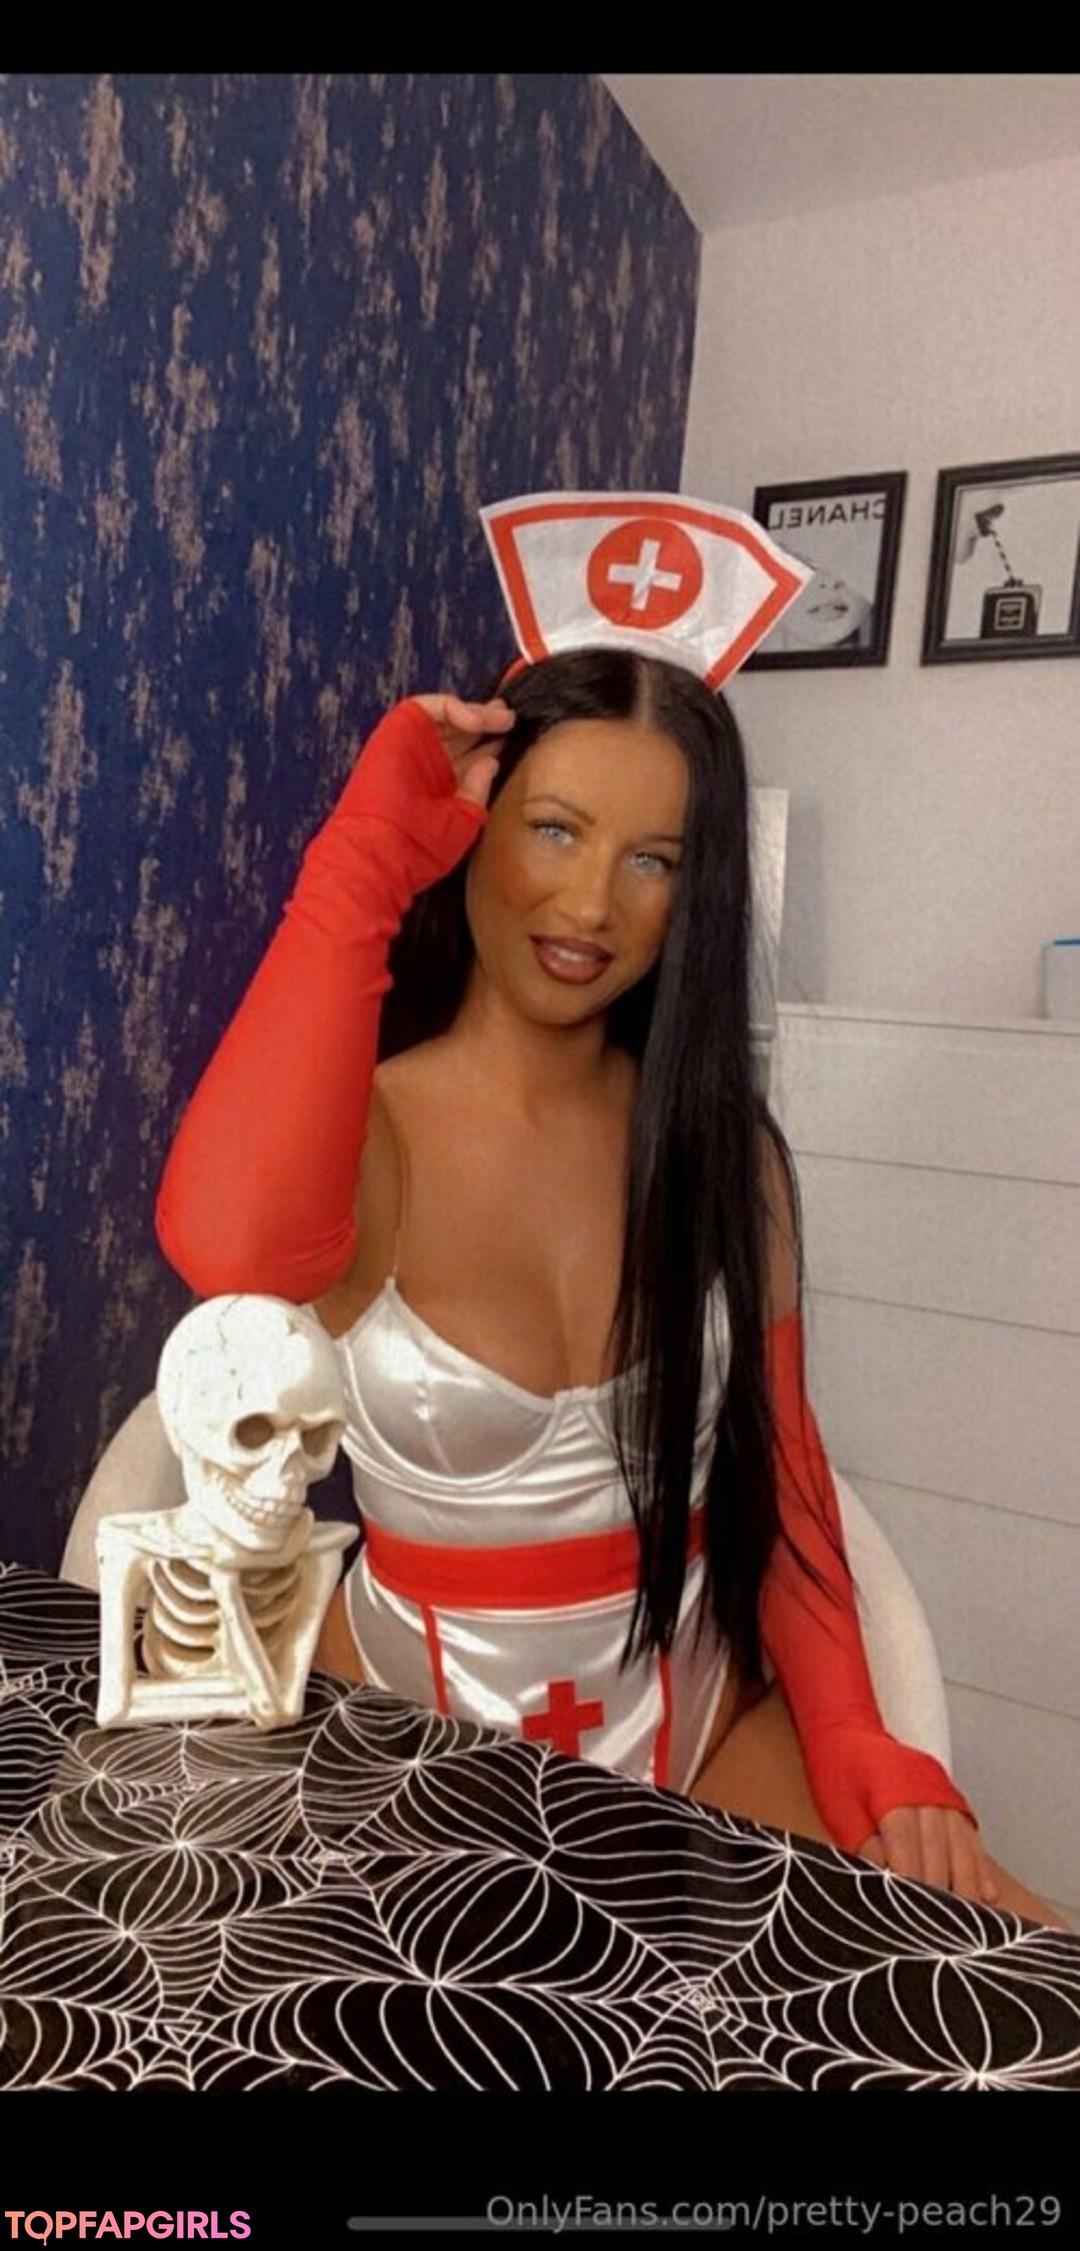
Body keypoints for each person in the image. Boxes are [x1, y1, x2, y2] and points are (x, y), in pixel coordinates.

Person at [155, 508, 1061, 1928]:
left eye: (656, 859)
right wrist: (362, 862)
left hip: (704, 1725)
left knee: (995, 1965)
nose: (591, 903)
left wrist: (854, 1735)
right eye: (554, 829)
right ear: (475, 828)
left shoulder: (723, 1152)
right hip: (418, 1750)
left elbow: (784, 1472)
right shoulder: (372, 1133)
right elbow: (228, 1247)